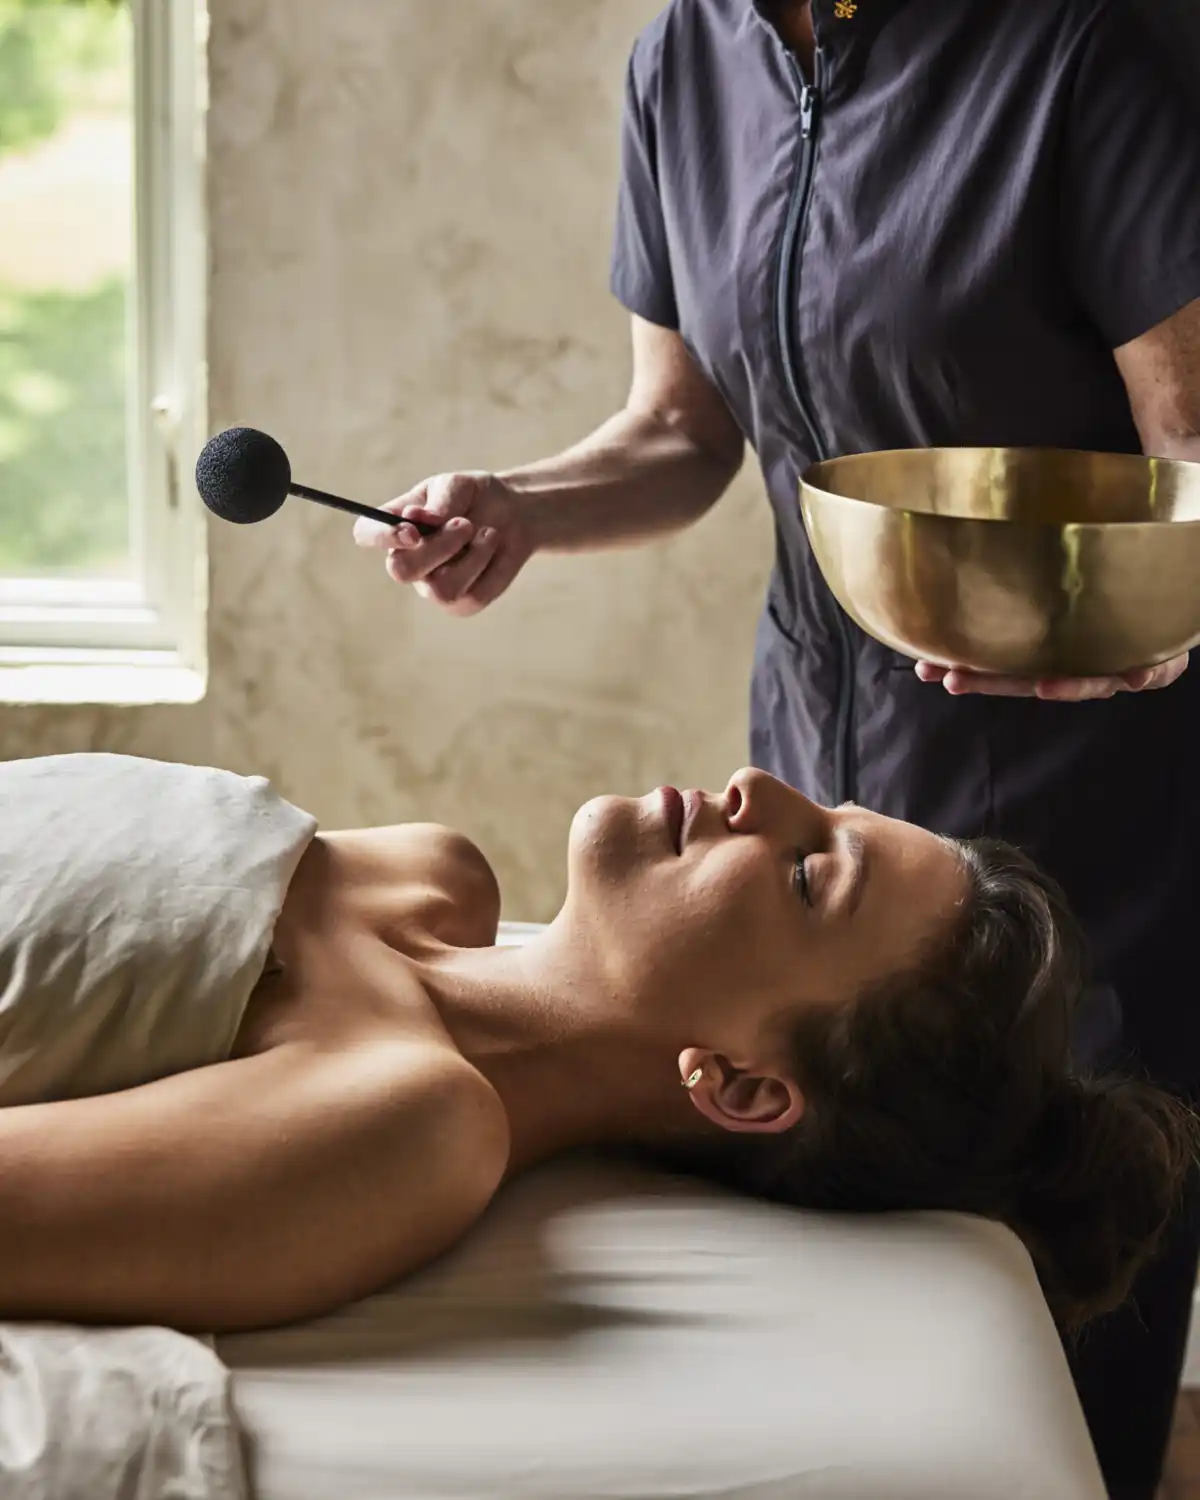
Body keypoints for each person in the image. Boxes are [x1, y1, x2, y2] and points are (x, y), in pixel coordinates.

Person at [353, 3, 1200, 1493]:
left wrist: (1168, 617)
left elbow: (1187, 435)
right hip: (819, 763)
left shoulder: (1080, 51)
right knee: (832, 1233)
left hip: (1095, 774)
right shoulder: (685, 61)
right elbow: (681, 430)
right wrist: (521, 502)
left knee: (1085, 1274)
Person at [0, 750, 1194, 1340]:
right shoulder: (430, 874)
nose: (755, 785)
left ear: (736, 1086)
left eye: (804, 871)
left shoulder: (409, 1126)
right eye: (826, 806)